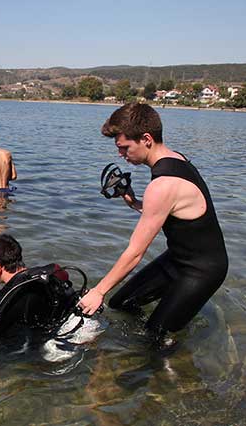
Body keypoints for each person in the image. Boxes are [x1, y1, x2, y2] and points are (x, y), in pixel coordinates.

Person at [78, 103, 228, 343]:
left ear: (146, 139)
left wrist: (98, 291)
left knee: (155, 336)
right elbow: (170, 211)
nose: (121, 154)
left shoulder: (162, 185)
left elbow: (135, 252)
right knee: (122, 303)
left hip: (203, 269)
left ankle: (168, 356)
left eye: (124, 147)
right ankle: (159, 320)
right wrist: (133, 201)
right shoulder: (175, 160)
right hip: (178, 258)